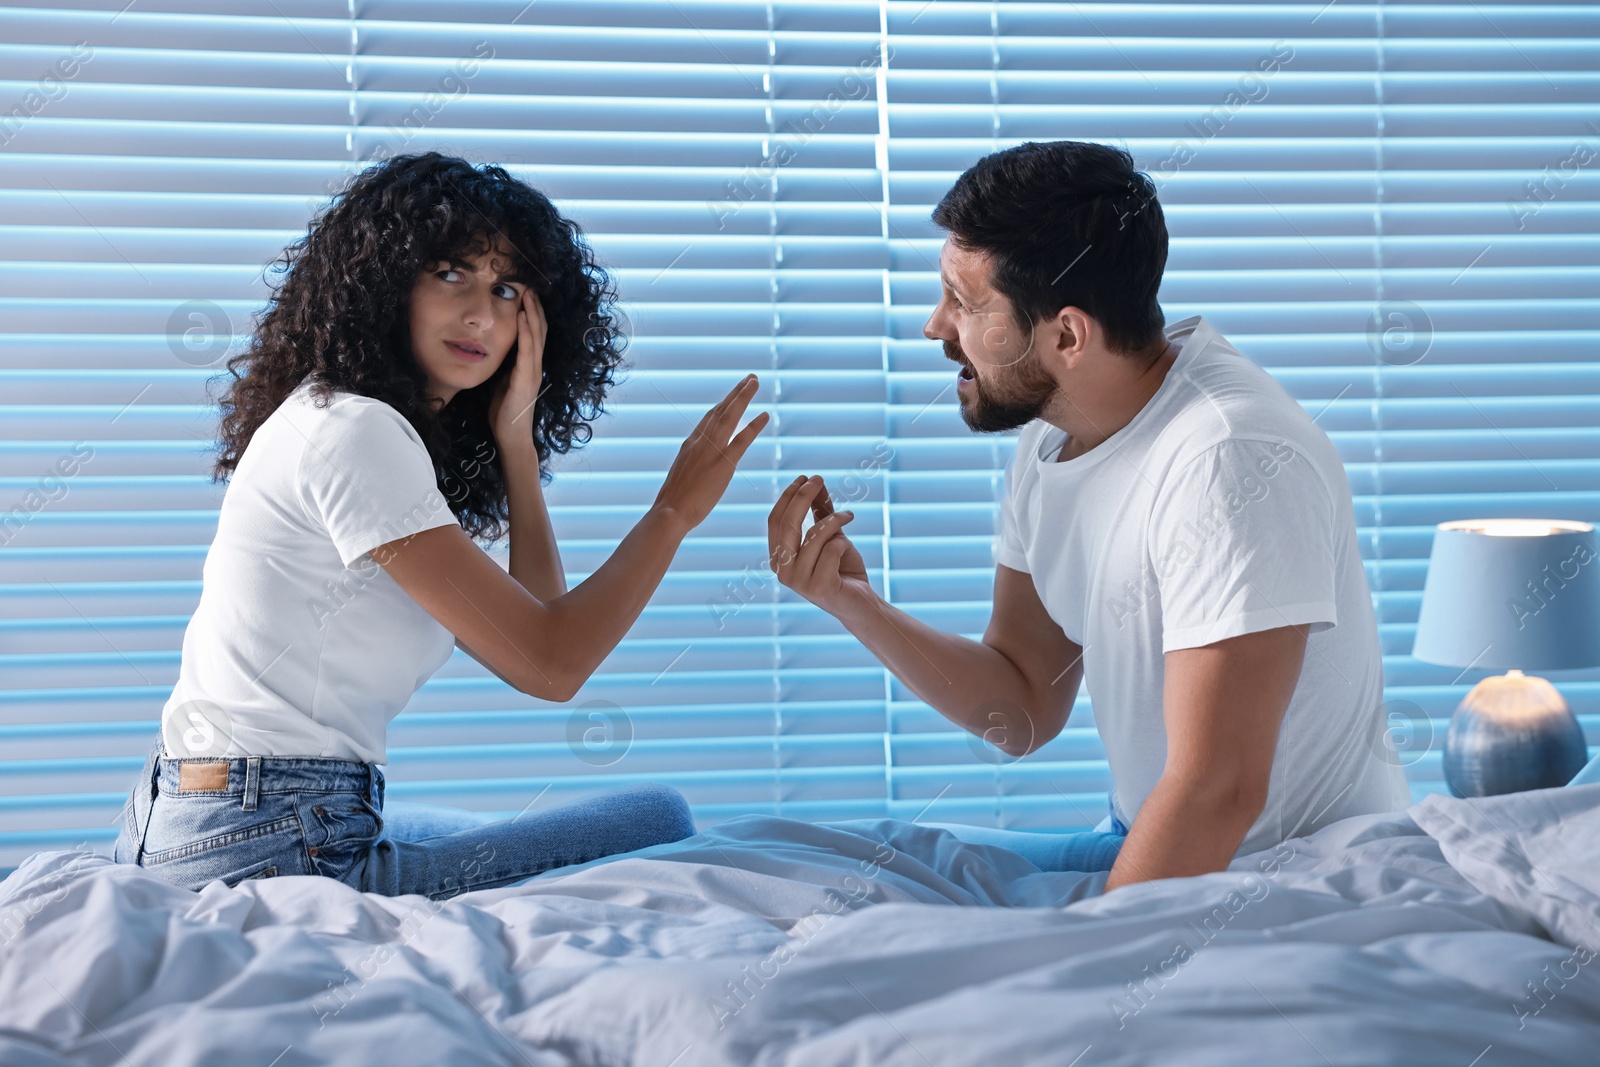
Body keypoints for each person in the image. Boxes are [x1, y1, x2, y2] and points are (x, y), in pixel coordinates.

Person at [112, 152, 768, 900]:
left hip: (207, 813)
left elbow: (541, 617)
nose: (481, 316)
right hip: (266, 839)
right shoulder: (356, 435)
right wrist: (673, 514)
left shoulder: (379, 441)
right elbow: (553, 667)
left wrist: (516, 443)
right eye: (452, 273)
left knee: (464, 822)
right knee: (659, 814)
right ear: (387, 280)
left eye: (506, 288)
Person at [767, 140, 1411, 890]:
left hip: (1281, 879)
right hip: (1150, 838)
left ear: (1067, 335)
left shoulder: (1229, 459)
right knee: (809, 859)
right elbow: (1024, 700)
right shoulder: (1052, 433)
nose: (935, 327)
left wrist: (1098, 975)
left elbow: (1219, 791)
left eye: (965, 303)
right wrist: (854, 605)